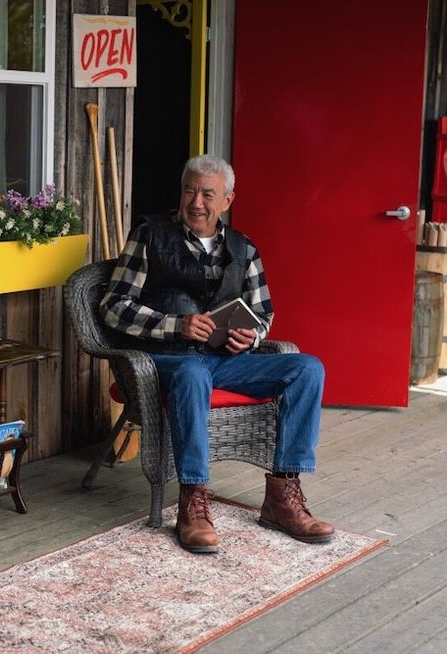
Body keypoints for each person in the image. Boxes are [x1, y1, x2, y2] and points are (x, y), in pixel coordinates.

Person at [99, 154, 334, 553]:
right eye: (190, 190)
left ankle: (282, 495)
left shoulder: (245, 249)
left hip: (226, 361)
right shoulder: (149, 234)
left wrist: (251, 338)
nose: (197, 202)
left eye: (208, 194)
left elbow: (263, 314)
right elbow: (113, 305)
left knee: (308, 368)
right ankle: (193, 500)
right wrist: (177, 324)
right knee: (192, 370)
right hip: (168, 360)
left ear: (227, 200)